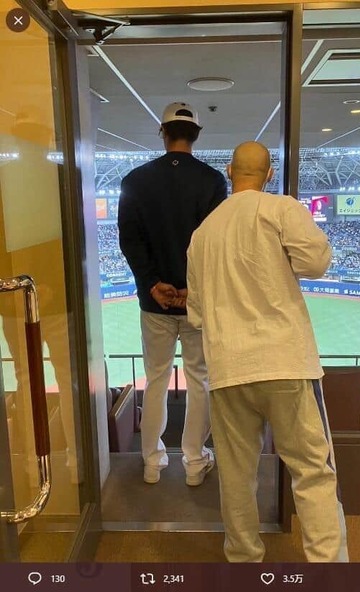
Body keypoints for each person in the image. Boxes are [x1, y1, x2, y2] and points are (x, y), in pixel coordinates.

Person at [186, 141, 348, 562]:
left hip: (228, 368)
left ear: (229, 171)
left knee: (236, 477)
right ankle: (329, 568)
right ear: (270, 173)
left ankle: (243, 562)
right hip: (286, 362)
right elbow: (316, 263)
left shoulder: (202, 233)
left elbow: (197, 314)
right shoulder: (282, 209)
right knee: (312, 472)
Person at [118, 102, 227, 486]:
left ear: (162, 132)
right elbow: (214, 243)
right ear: (196, 135)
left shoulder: (135, 180)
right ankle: (195, 463)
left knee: (156, 380)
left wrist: (152, 283)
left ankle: (152, 462)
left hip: (154, 303)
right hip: (196, 302)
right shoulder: (213, 181)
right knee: (200, 381)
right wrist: (192, 288)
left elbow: (130, 240)